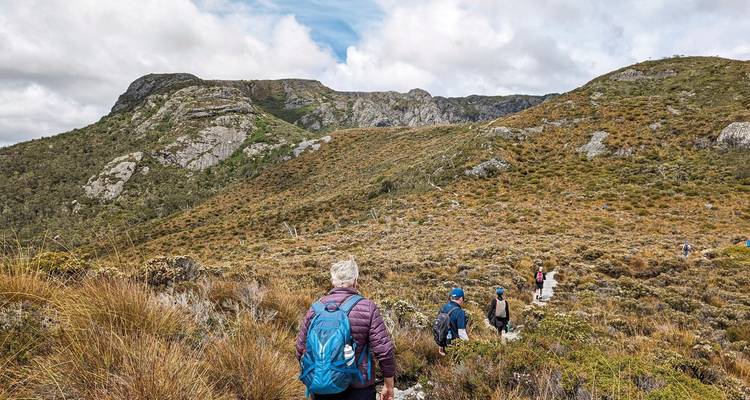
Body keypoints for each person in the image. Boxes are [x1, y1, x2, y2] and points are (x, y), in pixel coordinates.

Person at [296, 260, 396, 400]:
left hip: (322, 388)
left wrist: (314, 380)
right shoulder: (368, 307)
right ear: (355, 280)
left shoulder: (315, 309)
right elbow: (384, 351)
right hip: (359, 387)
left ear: (332, 281)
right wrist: (388, 385)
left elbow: (301, 349)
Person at [438, 287, 469, 355]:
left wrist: (440, 345)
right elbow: (462, 333)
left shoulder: (443, 307)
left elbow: (440, 326)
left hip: (443, 343)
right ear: (461, 298)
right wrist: (469, 348)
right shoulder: (460, 312)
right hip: (454, 347)